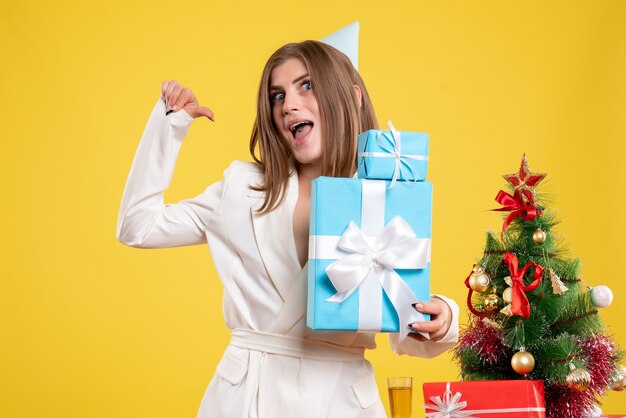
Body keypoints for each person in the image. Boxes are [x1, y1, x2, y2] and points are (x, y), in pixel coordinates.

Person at [117, 40, 459, 418]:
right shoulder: (239, 189)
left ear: (352, 98)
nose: (288, 105)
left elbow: (401, 328)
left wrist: (442, 315)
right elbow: (137, 227)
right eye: (277, 95)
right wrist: (169, 127)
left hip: (341, 402)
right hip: (246, 397)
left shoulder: (382, 197)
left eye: (306, 85)